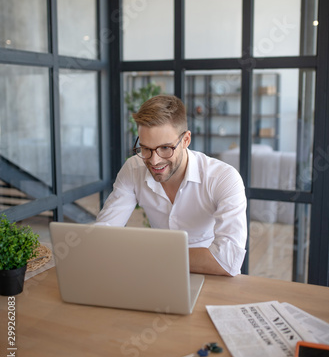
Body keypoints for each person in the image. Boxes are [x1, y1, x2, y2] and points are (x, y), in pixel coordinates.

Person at [96, 95, 247, 276]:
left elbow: (228, 261)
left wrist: (152, 255)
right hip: (159, 274)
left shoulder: (223, 178)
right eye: (145, 148)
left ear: (186, 140)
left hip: (209, 276)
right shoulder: (133, 168)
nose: (154, 160)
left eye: (165, 148)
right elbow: (103, 235)